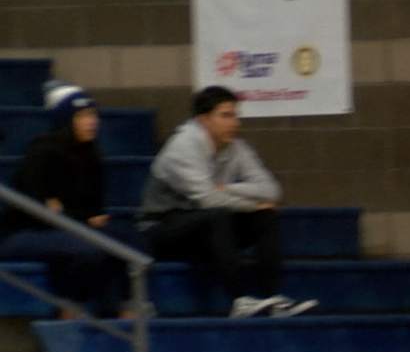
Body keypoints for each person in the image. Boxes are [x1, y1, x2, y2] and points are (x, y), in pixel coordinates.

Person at [135, 85, 316, 318]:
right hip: (160, 230)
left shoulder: (237, 148)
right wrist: (250, 204)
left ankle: (274, 300)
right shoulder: (182, 147)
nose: (234, 123)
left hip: (204, 230)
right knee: (218, 215)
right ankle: (239, 300)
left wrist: (229, 188)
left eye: (235, 115)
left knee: (267, 216)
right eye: (226, 115)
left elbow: (271, 191)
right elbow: (209, 199)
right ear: (203, 121)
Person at [0, 80, 129, 317]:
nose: (92, 121)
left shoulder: (92, 156)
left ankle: (123, 308)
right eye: (83, 116)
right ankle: (71, 309)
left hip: (69, 226)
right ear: (67, 121)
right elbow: (37, 210)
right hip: (23, 231)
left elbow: (92, 209)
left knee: (128, 242)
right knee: (91, 249)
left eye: (93, 114)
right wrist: (81, 218)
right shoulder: (41, 151)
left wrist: (72, 215)